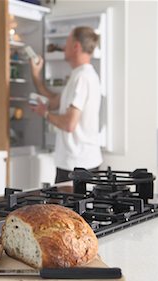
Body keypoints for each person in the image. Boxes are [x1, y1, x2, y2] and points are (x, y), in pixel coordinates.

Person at [29, 26, 102, 183]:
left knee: (66, 208)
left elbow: (69, 124)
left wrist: (45, 114)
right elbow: (54, 101)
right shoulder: (80, 75)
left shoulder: (82, 78)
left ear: (76, 46)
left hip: (77, 165)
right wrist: (36, 76)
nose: (63, 46)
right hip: (78, 163)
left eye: (67, 42)